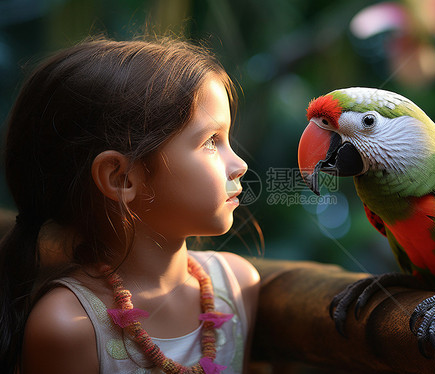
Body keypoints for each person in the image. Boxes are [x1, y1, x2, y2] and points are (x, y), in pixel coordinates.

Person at [0, 37, 260, 374]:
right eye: (211, 141)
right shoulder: (69, 326)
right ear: (121, 178)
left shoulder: (238, 285)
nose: (239, 164)